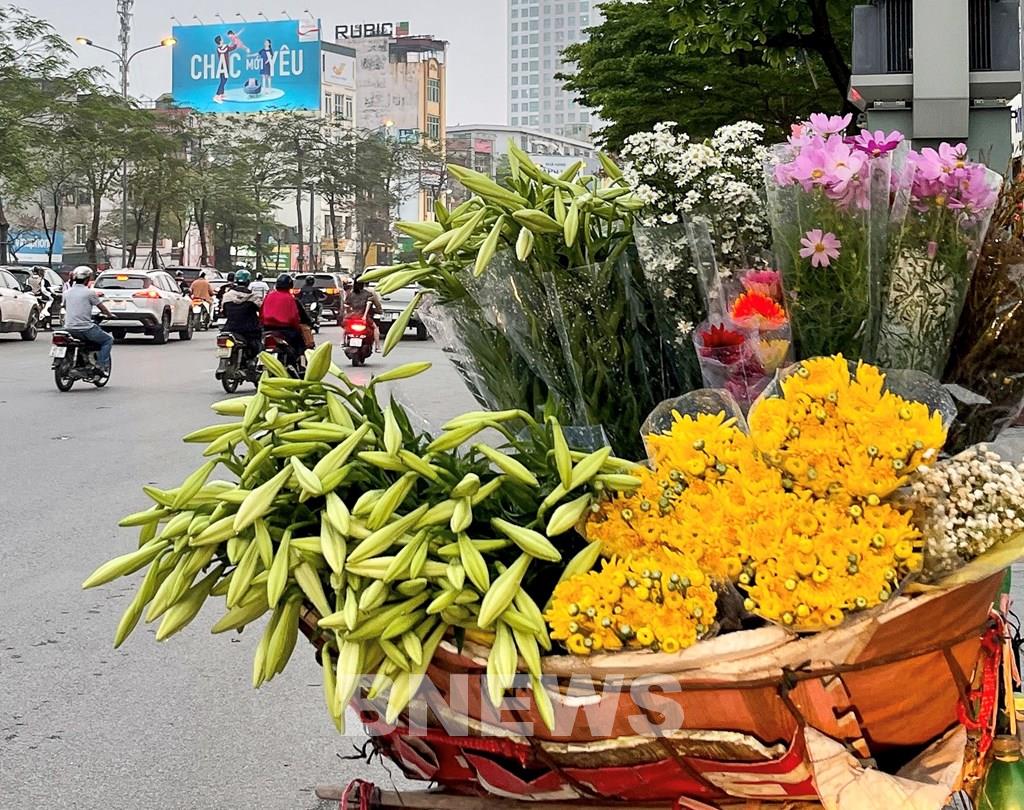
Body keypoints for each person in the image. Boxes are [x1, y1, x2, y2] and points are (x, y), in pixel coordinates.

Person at [63, 266, 115, 372]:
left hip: (68, 327)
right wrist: (110, 315)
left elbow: (65, 306)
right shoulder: (89, 293)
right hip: (85, 328)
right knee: (108, 340)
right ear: (87, 280)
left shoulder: (67, 293)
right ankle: (100, 365)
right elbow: (102, 308)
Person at [260, 274, 313, 358]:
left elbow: (262, 314)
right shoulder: (291, 299)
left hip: (268, 329)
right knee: (301, 346)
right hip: (287, 330)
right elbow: (295, 317)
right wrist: (299, 326)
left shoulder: (269, 296)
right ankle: (300, 366)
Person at [220, 270, 262, 356]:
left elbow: (224, 312)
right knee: (258, 348)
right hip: (249, 331)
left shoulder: (227, 296)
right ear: (248, 282)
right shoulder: (253, 297)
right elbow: (261, 309)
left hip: (229, 328)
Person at [342, 277, 384, 352]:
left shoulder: (351, 294)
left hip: (352, 316)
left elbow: (346, 305)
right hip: (364, 317)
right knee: (375, 328)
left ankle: (343, 342)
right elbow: (377, 305)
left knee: (345, 327)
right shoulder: (369, 294)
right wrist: (379, 311)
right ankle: (377, 346)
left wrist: (348, 312)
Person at [213, 35, 238, 104]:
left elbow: (225, 48)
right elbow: (232, 48)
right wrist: (235, 42)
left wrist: (228, 44)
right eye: (221, 39)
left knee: (223, 79)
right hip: (224, 67)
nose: (223, 39)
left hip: (221, 66)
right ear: (220, 41)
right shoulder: (225, 48)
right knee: (223, 80)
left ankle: (222, 94)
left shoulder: (219, 48)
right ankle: (217, 95)